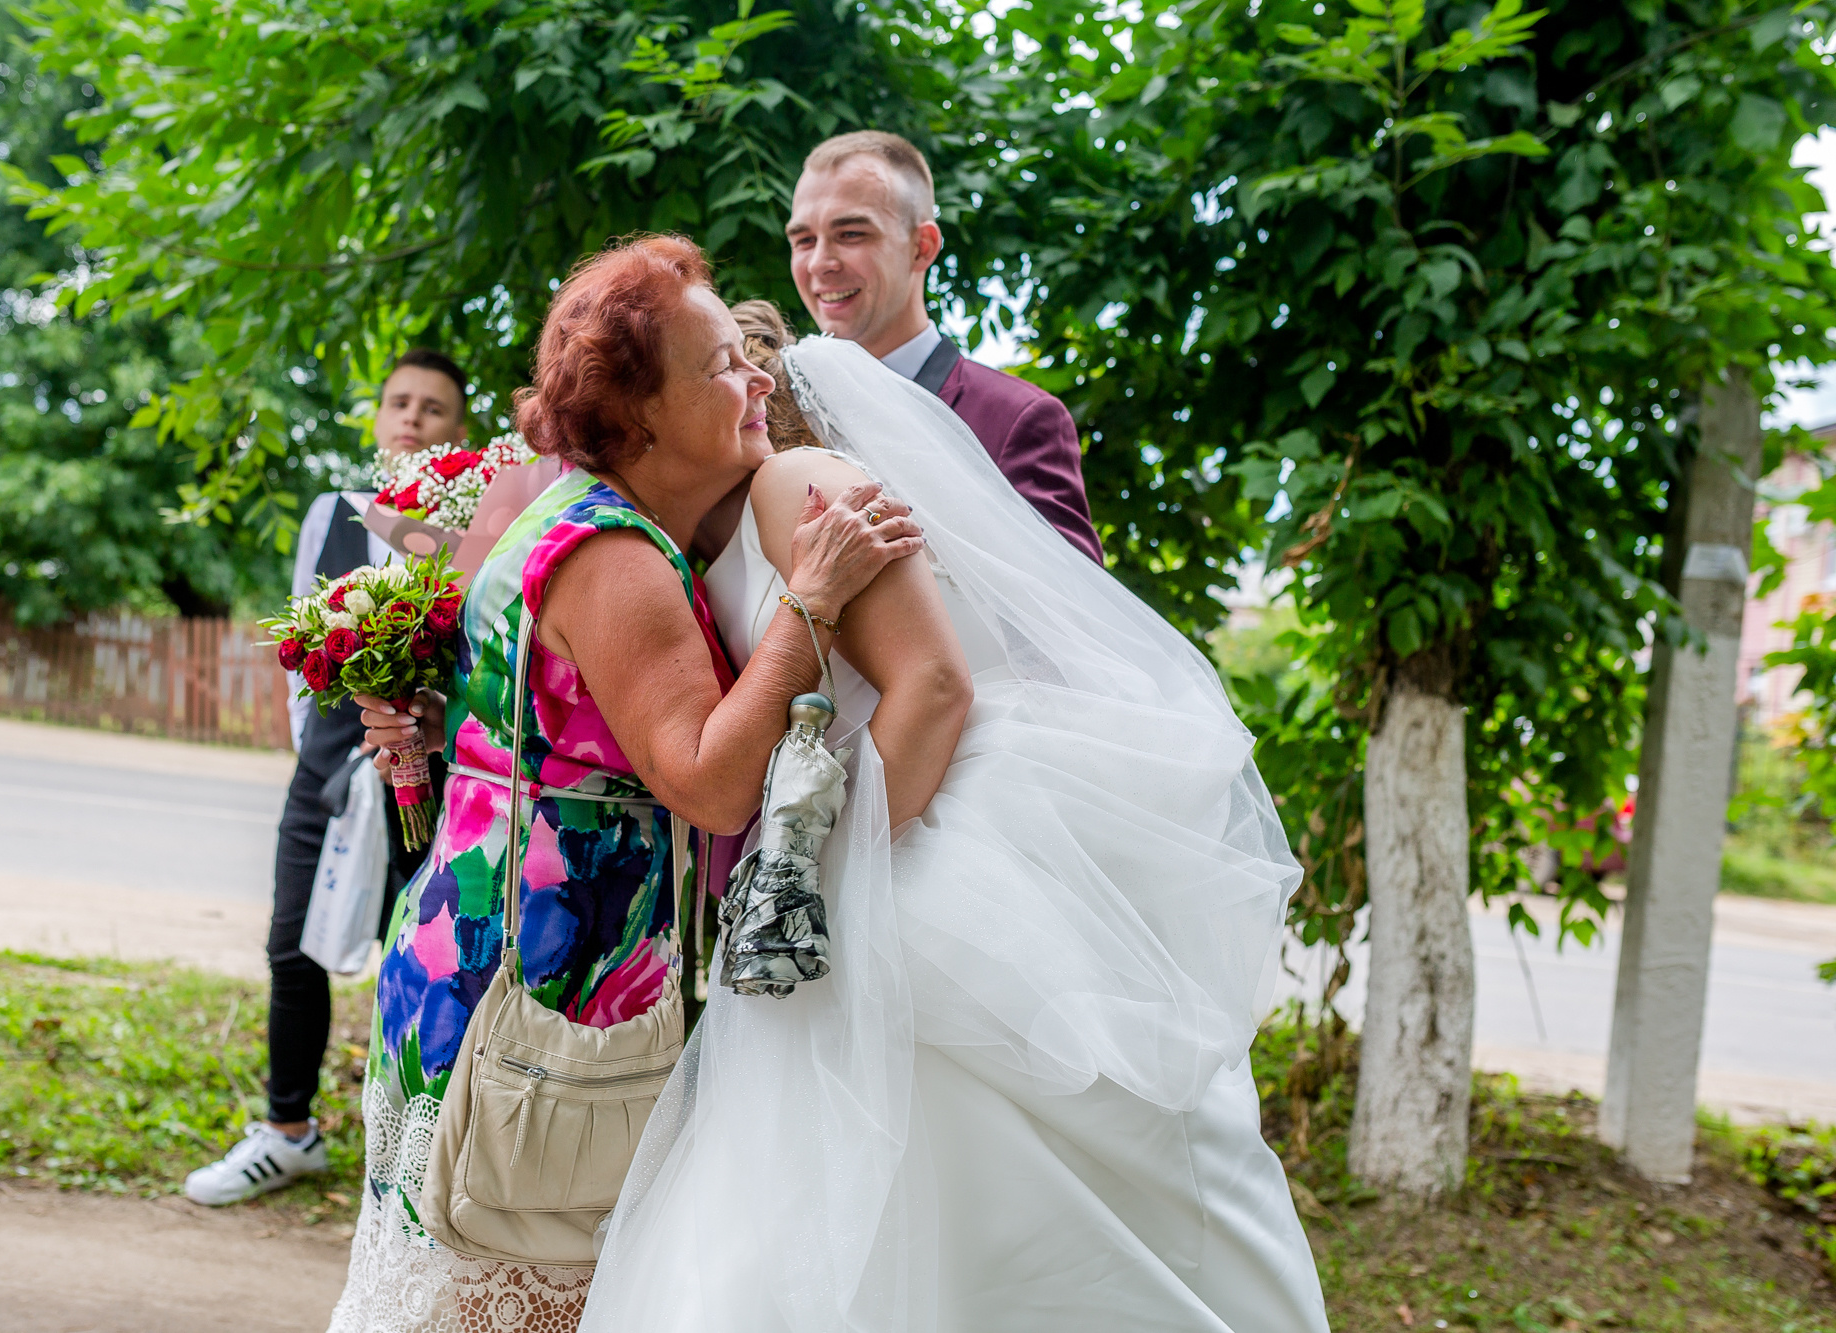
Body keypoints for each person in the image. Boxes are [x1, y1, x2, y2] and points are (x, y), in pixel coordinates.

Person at [576, 306, 1329, 1330]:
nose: (747, 386)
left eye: (748, 369)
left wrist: (823, 873)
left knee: (970, 1146)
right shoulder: (691, 538)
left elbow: (934, 685)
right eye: (717, 370)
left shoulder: (797, 486)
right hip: (878, 820)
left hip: (928, 826)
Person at [326, 236, 922, 1332]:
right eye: (721, 367)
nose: (757, 379)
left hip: (473, 968)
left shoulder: (570, 517)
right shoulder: (615, 556)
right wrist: (815, 598)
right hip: (546, 1006)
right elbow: (709, 784)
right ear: (639, 414)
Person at [184, 349, 469, 1207]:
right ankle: (287, 1133)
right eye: (399, 402)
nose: (412, 417)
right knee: (291, 944)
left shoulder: (475, 530)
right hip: (329, 772)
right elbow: (297, 643)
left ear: (458, 430)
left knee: (418, 960)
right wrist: (316, 753)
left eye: (433, 408)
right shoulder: (333, 514)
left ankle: (411, 1157)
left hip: (431, 781)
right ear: (378, 418)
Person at [786, 130, 1105, 563]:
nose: (820, 262)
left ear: (922, 247)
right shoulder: (773, 411)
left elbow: (1071, 600)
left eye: (852, 234)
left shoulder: (1019, 419)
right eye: (804, 240)